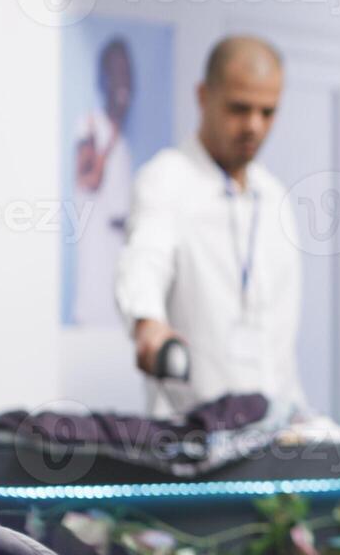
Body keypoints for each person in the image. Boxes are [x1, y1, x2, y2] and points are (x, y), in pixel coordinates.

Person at [115, 35, 308, 418]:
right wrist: (148, 326)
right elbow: (144, 260)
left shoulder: (275, 199)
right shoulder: (166, 180)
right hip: (194, 436)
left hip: (276, 433)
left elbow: (279, 348)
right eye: (239, 108)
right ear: (203, 96)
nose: (254, 125)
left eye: (267, 112)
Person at [70, 37, 135, 326]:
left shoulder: (123, 142)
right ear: (104, 77)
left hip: (119, 257)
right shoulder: (90, 126)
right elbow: (89, 177)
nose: (122, 81)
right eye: (116, 72)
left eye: (126, 73)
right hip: (96, 254)